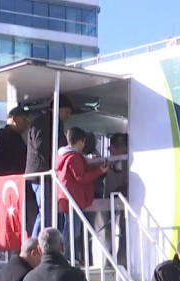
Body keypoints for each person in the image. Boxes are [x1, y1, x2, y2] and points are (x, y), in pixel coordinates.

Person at [55, 127, 108, 266]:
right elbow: (81, 177)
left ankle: (69, 256)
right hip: (74, 198)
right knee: (73, 230)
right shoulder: (74, 157)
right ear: (80, 141)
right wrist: (99, 171)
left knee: (70, 228)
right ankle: (68, 257)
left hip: (67, 197)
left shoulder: (62, 156)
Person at [26, 96, 72, 238]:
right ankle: (33, 246)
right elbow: (41, 145)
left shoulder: (54, 123)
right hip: (41, 173)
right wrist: (57, 159)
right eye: (67, 111)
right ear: (59, 109)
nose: (68, 115)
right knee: (45, 211)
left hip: (46, 174)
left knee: (48, 212)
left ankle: (39, 246)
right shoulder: (43, 122)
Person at [98, 133, 129, 266]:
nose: (111, 150)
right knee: (107, 232)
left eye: (115, 147)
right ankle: (108, 263)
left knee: (124, 231)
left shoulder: (129, 162)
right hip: (108, 200)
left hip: (124, 202)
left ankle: (122, 263)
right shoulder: (108, 162)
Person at [0, 107, 29, 176]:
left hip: (16, 180)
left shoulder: (19, 138)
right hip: (4, 181)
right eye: (24, 120)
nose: (26, 124)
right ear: (14, 119)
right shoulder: (0, 134)